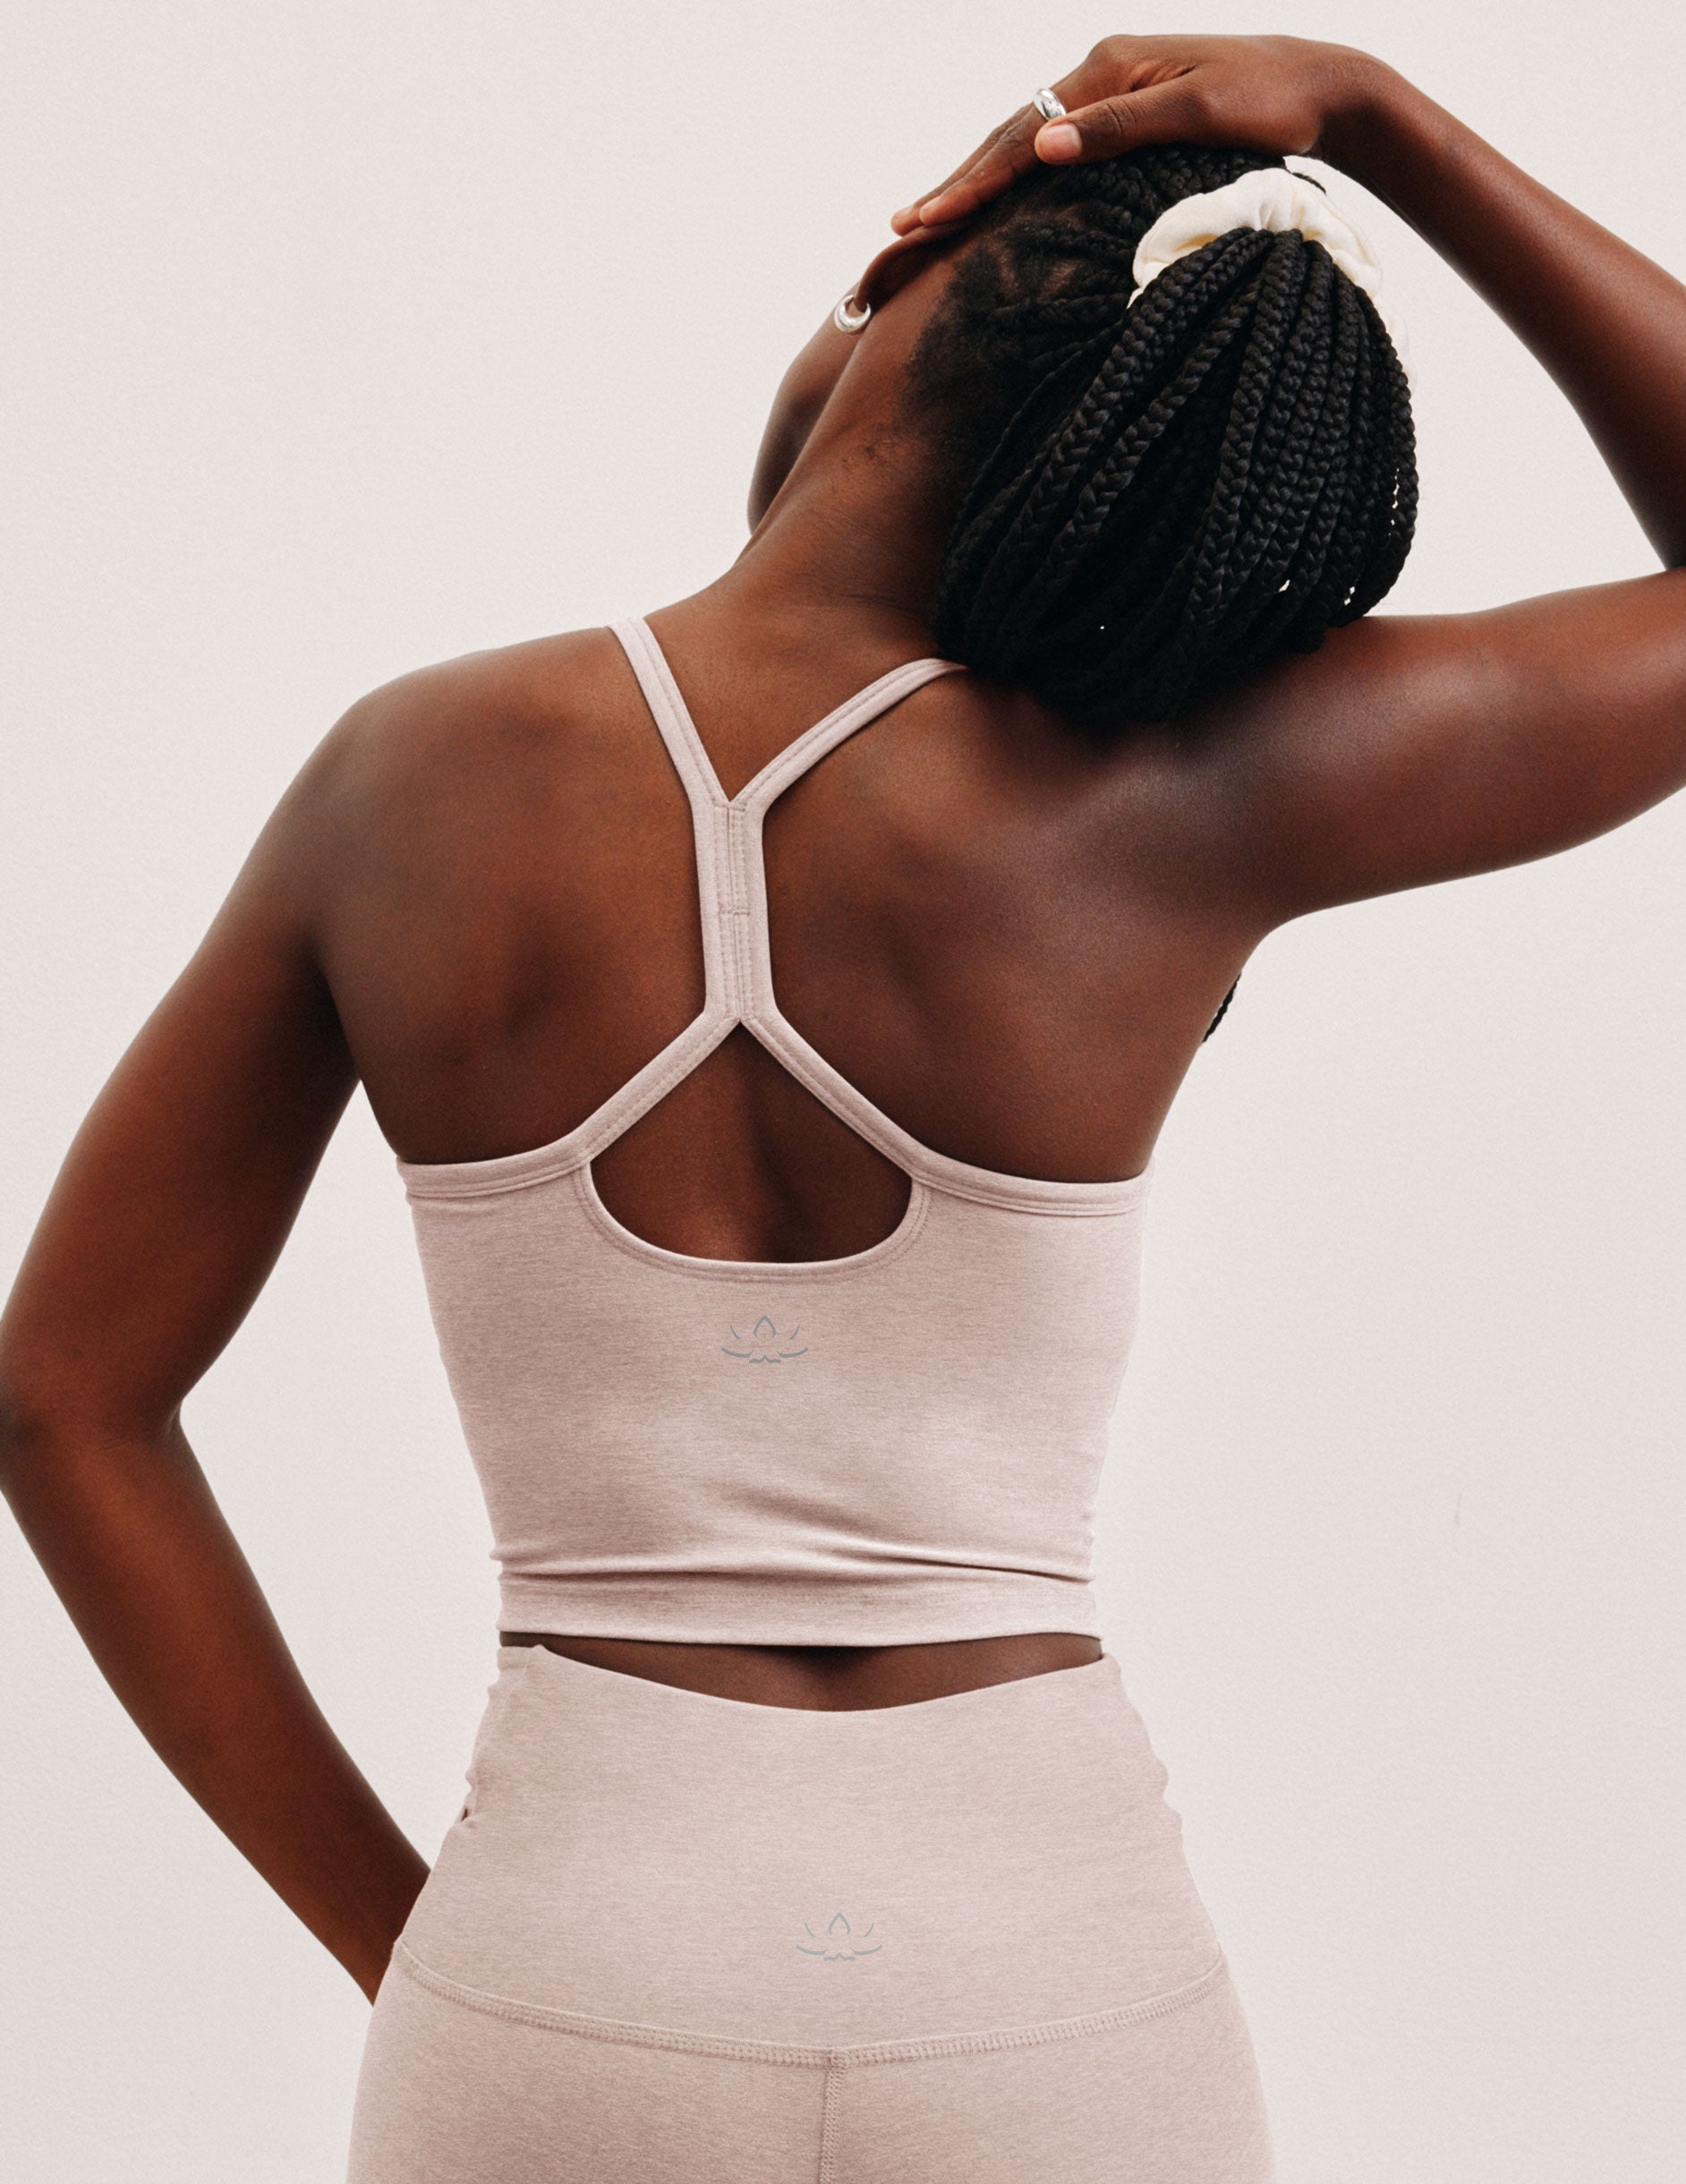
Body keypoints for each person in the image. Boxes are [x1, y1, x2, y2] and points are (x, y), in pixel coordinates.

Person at [3, 30, 1683, 2181]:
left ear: (898, 293)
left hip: (573, 1960)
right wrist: (1378, 125)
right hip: (1048, 1980)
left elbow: (67, 1393)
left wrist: (423, 1946)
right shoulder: (1196, 792)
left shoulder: (409, 777)